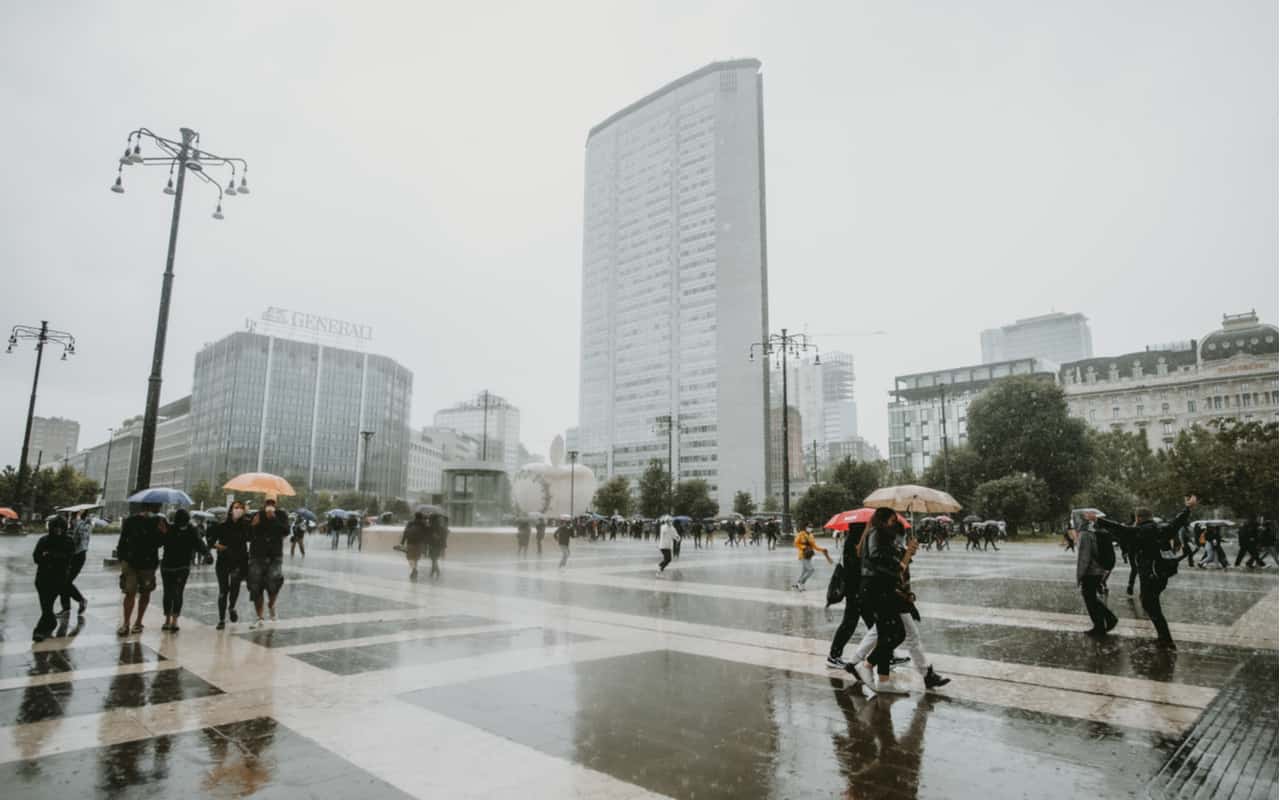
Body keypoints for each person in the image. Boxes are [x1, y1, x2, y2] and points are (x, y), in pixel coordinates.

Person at [1097, 496, 1197, 648]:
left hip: (1150, 574)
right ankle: (1164, 638)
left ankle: (1166, 640)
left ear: (1138, 518)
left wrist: (1099, 520)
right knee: (1150, 603)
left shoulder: (1140, 531)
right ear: (1151, 517)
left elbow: (1120, 529)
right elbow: (1177, 522)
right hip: (1162, 573)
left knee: (1150, 604)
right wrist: (1188, 508)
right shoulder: (1162, 529)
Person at [847, 508, 912, 694]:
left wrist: (904, 555)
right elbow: (877, 556)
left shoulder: (877, 533)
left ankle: (883, 681)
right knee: (897, 633)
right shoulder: (877, 533)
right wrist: (897, 560)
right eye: (892, 519)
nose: (894, 522)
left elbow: (884, 558)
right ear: (884, 520)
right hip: (877, 588)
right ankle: (866, 665)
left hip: (878, 587)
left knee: (885, 634)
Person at [116, 502, 166, 636]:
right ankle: (127, 623)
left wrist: (163, 533)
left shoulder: (159, 521)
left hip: (147, 564)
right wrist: (122, 559)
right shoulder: (131, 521)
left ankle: (137, 622)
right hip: (132, 562)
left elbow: (160, 543)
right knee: (130, 592)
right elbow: (123, 540)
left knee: (144, 592)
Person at [159, 509, 210, 633]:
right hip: (181, 567)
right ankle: (174, 620)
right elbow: (199, 544)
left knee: (168, 592)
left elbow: (160, 543)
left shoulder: (170, 529)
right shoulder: (191, 530)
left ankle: (167, 619)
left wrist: (163, 533)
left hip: (168, 566)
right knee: (177, 593)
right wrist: (207, 554)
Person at [827, 521, 867, 669]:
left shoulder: (856, 542)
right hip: (854, 591)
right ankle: (833, 655)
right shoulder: (853, 543)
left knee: (873, 625)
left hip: (859, 591)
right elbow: (854, 569)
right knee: (849, 623)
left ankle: (887, 655)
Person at [247, 498, 291, 628]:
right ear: (264, 503)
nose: (270, 505)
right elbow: (248, 535)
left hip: (275, 555)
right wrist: (253, 525)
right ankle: (259, 616)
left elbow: (286, 531)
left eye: (272, 503)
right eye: (268, 502)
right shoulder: (256, 515)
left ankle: (271, 605)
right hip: (257, 555)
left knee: (275, 582)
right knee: (256, 585)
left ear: (276, 503)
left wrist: (274, 519)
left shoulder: (281, 515)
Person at [32, 516, 75, 642]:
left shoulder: (68, 541)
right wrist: (53, 557)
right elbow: (36, 557)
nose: (58, 530)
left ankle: (39, 631)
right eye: (55, 527)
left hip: (58, 579)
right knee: (46, 606)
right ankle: (50, 622)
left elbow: (68, 559)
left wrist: (49, 555)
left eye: (61, 527)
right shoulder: (44, 540)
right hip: (42, 579)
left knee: (48, 605)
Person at [210, 500, 250, 630]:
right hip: (223, 561)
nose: (238, 510)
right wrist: (219, 546)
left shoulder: (246, 525)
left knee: (234, 588)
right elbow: (210, 541)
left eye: (241, 508)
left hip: (238, 562)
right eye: (236, 507)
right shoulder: (222, 525)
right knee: (223, 591)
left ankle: (232, 606)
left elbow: (252, 537)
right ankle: (221, 619)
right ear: (231, 510)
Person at [1076, 511, 1118, 636]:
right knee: (1092, 597)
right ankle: (1106, 620)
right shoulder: (1092, 532)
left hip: (1091, 571)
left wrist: (1080, 575)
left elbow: (1084, 558)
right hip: (1098, 569)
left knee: (1089, 598)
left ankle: (1101, 625)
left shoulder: (1084, 534)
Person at [59, 510, 92, 617]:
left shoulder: (84, 525)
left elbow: (79, 540)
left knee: (66, 582)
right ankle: (66, 608)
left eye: (73, 517)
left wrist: (75, 527)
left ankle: (81, 600)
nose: (71, 520)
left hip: (78, 555)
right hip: (69, 556)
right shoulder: (73, 525)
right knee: (63, 582)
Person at [791, 525, 831, 591]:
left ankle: (798, 585)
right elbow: (795, 543)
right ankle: (800, 583)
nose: (810, 528)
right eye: (809, 527)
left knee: (804, 571)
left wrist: (822, 549)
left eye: (811, 527)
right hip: (803, 555)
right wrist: (803, 547)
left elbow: (814, 546)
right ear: (805, 528)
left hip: (809, 555)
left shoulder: (811, 535)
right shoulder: (801, 534)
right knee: (811, 570)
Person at [400, 512, 431, 580]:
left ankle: (414, 569)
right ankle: (414, 569)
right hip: (420, 543)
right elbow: (428, 533)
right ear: (421, 517)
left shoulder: (410, 523)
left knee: (410, 557)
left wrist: (402, 542)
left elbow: (405, 532)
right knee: (416, 558)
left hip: (410, 542)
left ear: (415, 516)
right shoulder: (424, 524)